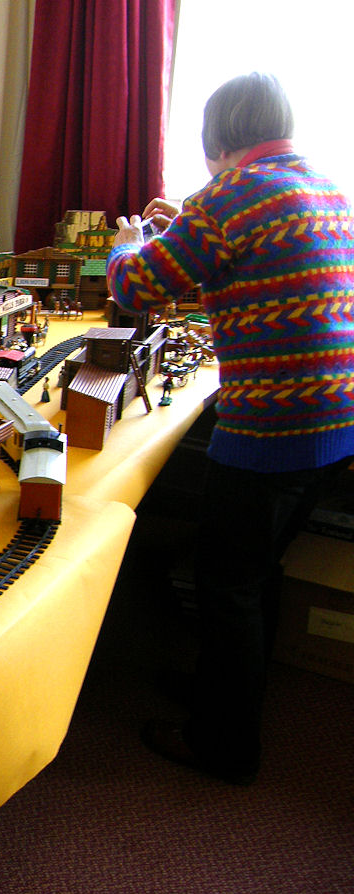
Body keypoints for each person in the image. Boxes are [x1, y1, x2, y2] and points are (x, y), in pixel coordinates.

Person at [107, 72, 354, 785]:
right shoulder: (325, 188)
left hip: (271, 431)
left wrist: (131, 240)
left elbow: (135, 286)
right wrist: (183, 223)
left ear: (216, 140)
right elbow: (250, 253)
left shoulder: (226, 199)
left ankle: (224, 745)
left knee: (227, 585)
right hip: (335, 425)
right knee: (257, 572)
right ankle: (228, 693)